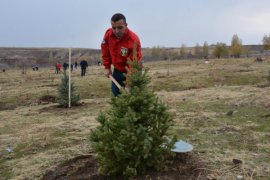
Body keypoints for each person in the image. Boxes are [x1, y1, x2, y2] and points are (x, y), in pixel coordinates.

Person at [101, 13, 142, 96]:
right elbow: (105, 50)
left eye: (120, 28)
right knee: (116, 93)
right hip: (118, 70)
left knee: (132, 96)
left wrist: (128, 84)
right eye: (114, 28)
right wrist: (107, 67)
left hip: (132, 70)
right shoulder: (108, 34)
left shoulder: (133, 40)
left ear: (126, 25)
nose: (116, 31)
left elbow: (133, 65)